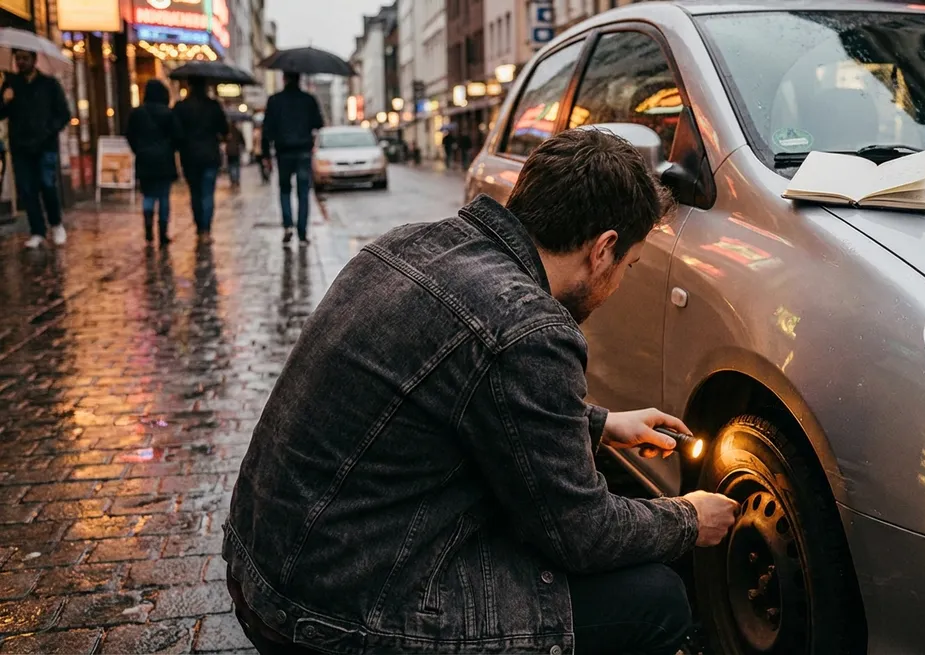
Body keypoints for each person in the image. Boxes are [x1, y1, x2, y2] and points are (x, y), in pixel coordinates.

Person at [224, 128, 739, 655]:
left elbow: (455, 396)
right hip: (331, 616)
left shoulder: (406, 243)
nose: (620, 283)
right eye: (629, 266)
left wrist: (600, 424)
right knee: (656, 600)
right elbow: (582, 533)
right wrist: (688, 518)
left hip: (264, 568)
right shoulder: (528, 326)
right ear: (604, 249)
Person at [0, 49, 71, 249]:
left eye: (25, 58)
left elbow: (64, 114)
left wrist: (48, 130)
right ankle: (37, 231)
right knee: (27, 189)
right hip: (21, 147)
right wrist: (4, 100)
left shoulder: (49, 84)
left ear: (34, 59)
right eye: (18, 58)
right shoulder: (11, 84)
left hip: (45, 145)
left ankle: (56, 224)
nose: (20, 62)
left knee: (47, 185)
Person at [263, 72, 323, 245]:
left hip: (283, 152)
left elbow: (267, 129)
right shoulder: (308, 100)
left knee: (284, 190)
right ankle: (302, 233)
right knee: (303, 192)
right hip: (303, 151)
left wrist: (265, 154)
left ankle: (288, 225)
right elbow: (319, 123)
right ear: (300, 79)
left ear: (284, 79)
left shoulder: (275, 100)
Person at [124, 79, 182, 246]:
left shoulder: (137, 113)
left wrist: (139, 149)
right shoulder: (168, 114)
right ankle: (163, 233)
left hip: (145, 160)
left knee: (148, 195)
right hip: (164, 161)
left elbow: (129, 135)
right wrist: (170, 148)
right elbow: (178, 136)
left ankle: (148, 229)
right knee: (163, 197)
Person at [173, 77, 228, 242]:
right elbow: (224, 129)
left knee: (195, 193)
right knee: (207, 193)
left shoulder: (181, 107)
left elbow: (176, 132)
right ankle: (206, 230)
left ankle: (199, 227)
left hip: (189, 156)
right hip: (210, 155)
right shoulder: (213, 106)